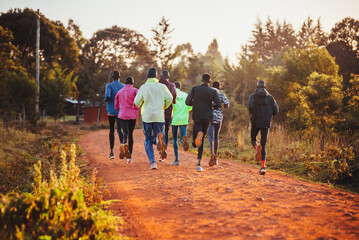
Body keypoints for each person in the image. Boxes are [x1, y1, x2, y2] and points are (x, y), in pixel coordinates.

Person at [134, 67, 173, 170]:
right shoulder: (162, 86)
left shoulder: (143, 87)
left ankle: (152, 162)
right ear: (156, 76)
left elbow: (136, 102)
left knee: (147, 139)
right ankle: (157, 139)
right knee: (159, 134)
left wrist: (143, 102)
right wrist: (164, 106)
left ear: (147, 76)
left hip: (147, 116)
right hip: (159, 116)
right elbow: (170, 98)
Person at [185, 73, 221, 172]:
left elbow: (187, 102)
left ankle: (194, 141)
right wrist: (211, 105)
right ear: (209, 81)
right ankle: (199, 163)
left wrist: (195, 103)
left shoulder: (194, 89)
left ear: (201, 80)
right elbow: (218, 104)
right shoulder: (213, 91)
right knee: (202, 137)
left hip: (197, 115)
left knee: (196, 135)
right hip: (207, 116)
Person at [248, 80, 278, 175]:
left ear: (257, 87)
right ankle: (263, 167)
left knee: (253, 140)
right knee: (263, 145)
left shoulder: (252, 96)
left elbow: (250, 108)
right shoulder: (270, 98)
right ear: (265, 87)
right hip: (266, 123)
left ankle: (257, 148)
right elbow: (276, 111)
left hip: (255, 122)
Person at [114, 76, 139, 164]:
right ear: (132, 83)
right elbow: (139, 101)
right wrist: (136, 108)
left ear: (125, 83)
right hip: (132, 114)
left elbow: (116, 104)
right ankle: (130, 157)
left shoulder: (120, 91)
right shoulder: (135, 90)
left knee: (125, 132)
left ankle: (124, 143)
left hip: (122, 114)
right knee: (131, 134)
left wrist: (118, 108)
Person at [208, 81, 229, 166]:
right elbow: (227, 105)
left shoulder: (209, 95)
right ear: (219, 88)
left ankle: (211, 155)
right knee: (216, 137)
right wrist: (221, 105)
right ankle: (215, 158)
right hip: (219, 118)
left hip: (210, 118)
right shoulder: (221, 95)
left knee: (210, 138)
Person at [104, 70, 125, 159]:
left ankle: (112, 152)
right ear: (119, 77)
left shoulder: (109, 85)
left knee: (112, 130)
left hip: (111, 112)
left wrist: (107, 99)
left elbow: (108, 96)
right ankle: (122, 147)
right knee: (120, 130)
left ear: (112, 77)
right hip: (120, 111)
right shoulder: (123, 86)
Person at [171, 81, 192, 166]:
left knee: (175, 139)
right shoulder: (185, 95)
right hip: (183, 119)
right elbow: (190, 108)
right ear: (180, 87)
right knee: (182, 137)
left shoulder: (171, 95)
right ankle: (184, 142)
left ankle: (176, 160)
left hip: (174, 119)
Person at [158, 70, 177, 162]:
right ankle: (163, 151)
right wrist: (174, 101)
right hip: (168, 113)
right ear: (168, 77)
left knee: (158, 130)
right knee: (166, 130)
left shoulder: (157, 85)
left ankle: (159, 142)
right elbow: (173, 93)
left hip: (158, 111)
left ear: (161, 76)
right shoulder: (171, 85)